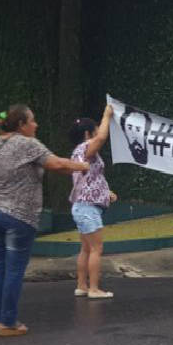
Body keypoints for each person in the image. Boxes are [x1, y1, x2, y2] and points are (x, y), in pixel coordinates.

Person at [0, 104, 89, 336]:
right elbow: (56, 164)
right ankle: (9, 323)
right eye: (32, 120)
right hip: (18, 216)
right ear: (21, 125)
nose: (36, 124)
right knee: (14, 270)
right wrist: (82, 165)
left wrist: (71, 168)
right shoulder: (27, 143)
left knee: (1, 267)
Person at [70, 105, 118, 299]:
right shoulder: (85, 148)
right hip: (88, 208)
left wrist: (107, 193)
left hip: (81, 206)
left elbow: (90, 179)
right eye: (96, 128)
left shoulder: (77, 152)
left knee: (86, 248)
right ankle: (94, 289)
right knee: (97, 249)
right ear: (87, 133)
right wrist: (106, 115)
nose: (100, 130)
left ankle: (82, 285)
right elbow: (101, 138)